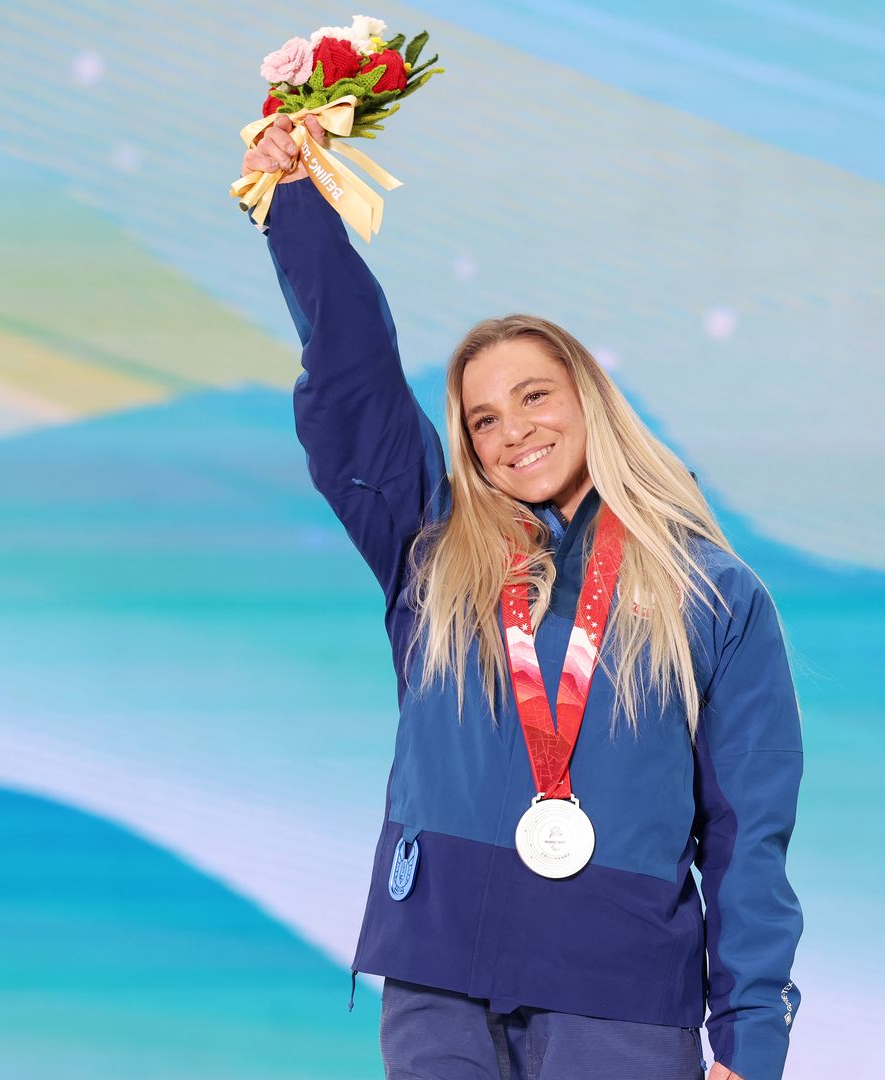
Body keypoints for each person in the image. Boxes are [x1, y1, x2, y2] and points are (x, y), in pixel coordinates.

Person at [242, 113, 805, 1080]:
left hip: (620, 993)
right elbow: (355, 382)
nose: (513, 431)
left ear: (588, 397)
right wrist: (293, 206)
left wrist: (749, 1043)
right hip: (440, 978)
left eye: (536, 396)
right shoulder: (437, 555)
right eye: (483, 417)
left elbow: (750, 839)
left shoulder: (714, 596)